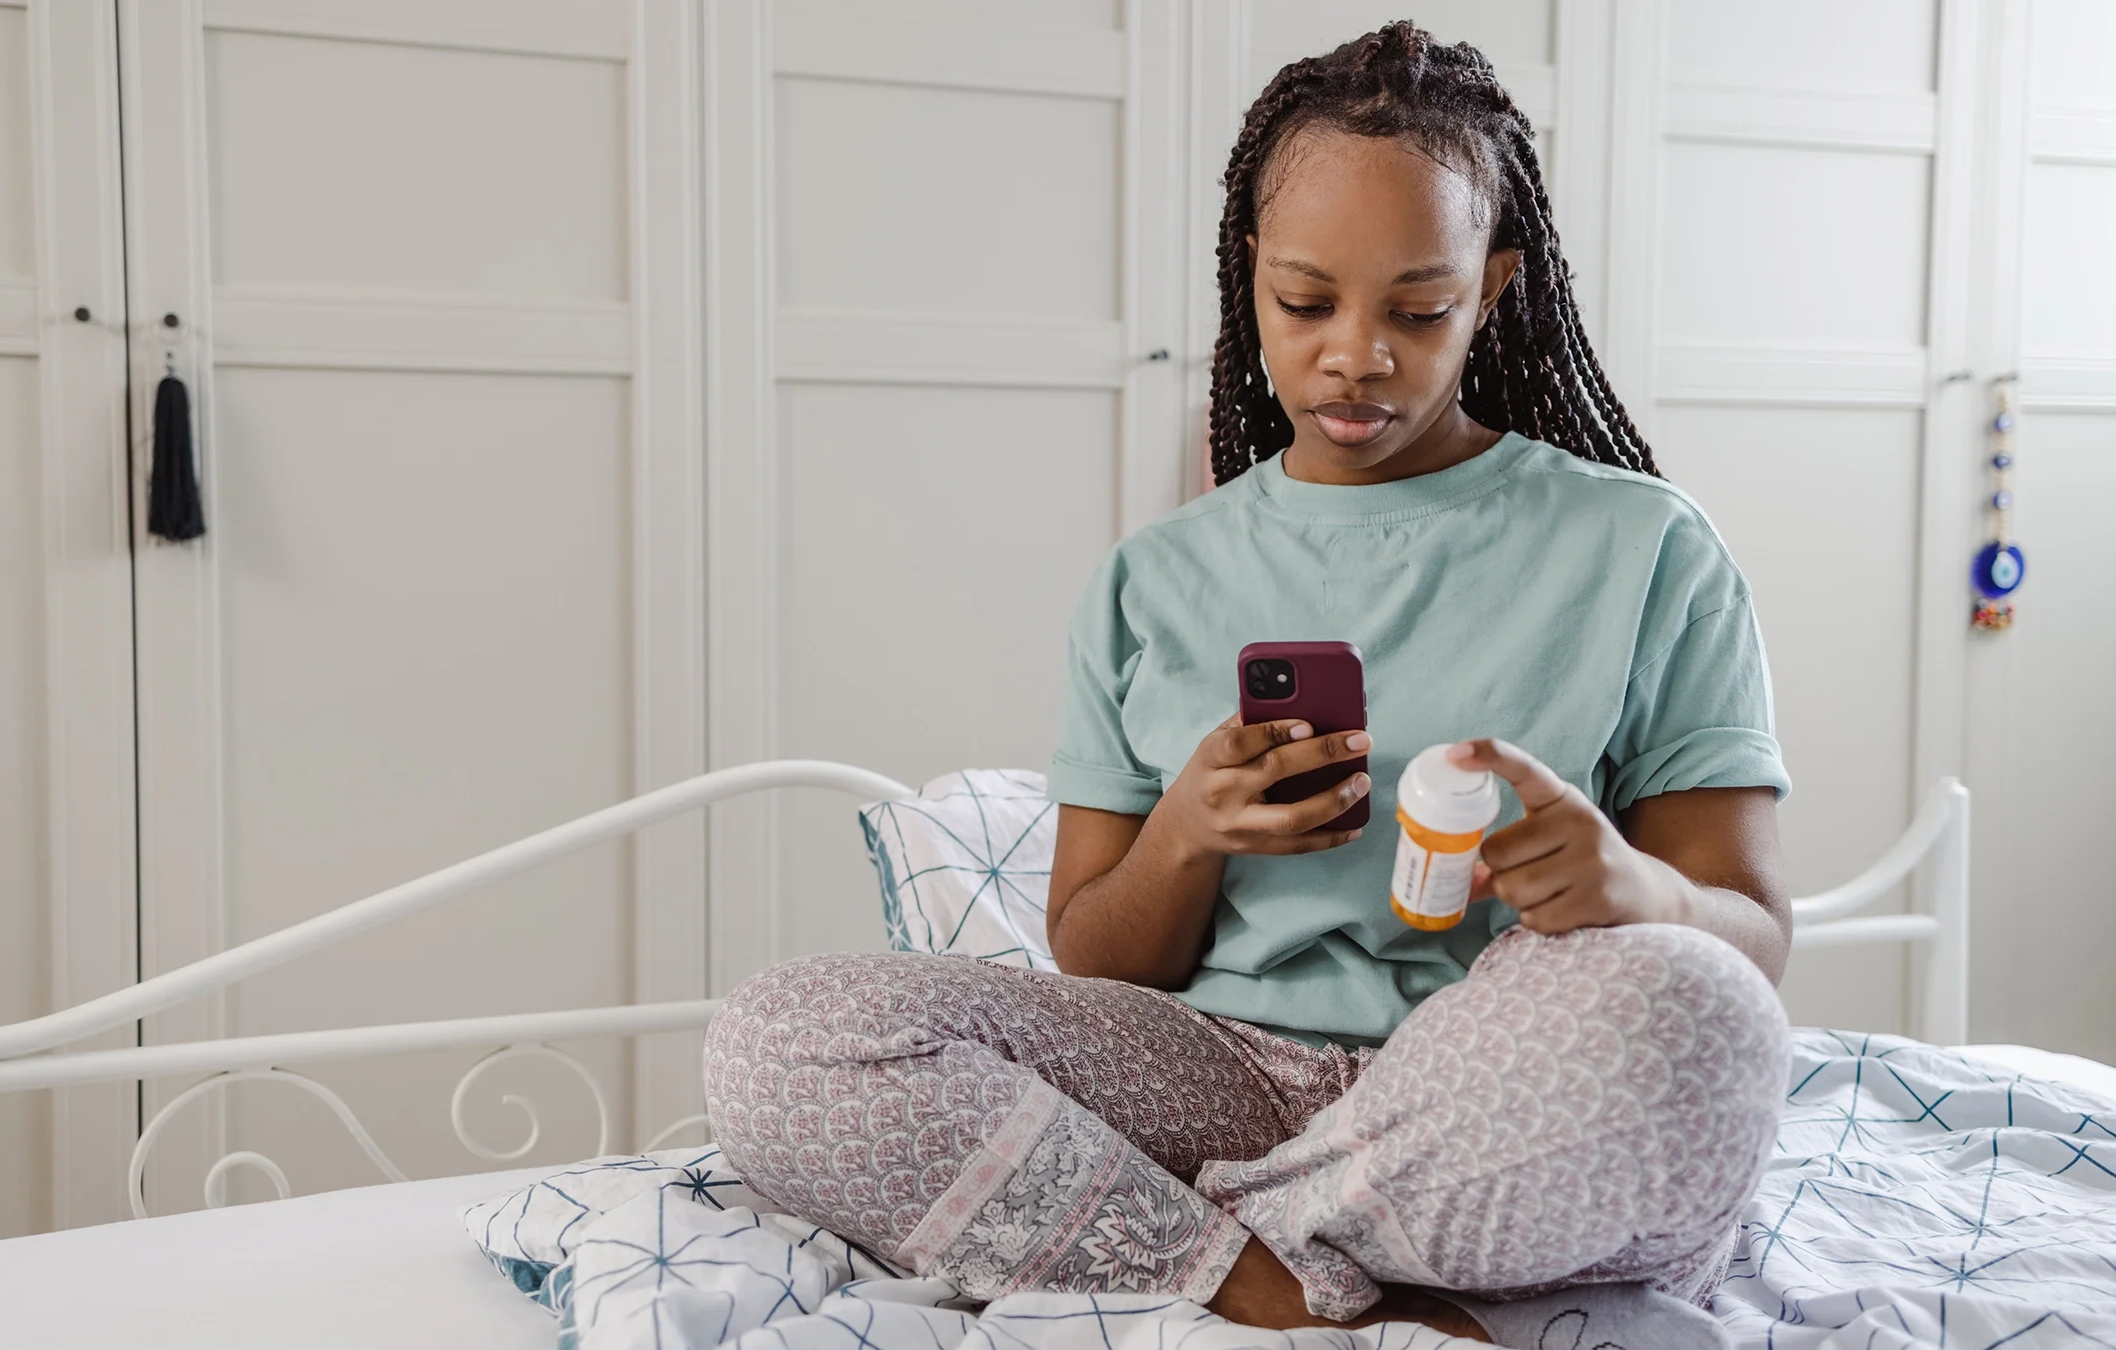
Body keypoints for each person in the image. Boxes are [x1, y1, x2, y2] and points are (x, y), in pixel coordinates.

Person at [706, 22, 1791, 1345]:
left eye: (1418, 307)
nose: (1355, 354)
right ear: (1250, 283)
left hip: (1503, 1074)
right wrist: (1189, 830)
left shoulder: (1646, 548)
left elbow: (1753, 933)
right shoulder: (1152, 580)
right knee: (780, 1038)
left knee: (1705, 1009)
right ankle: (1295, 1288)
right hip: (1218, 1067)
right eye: (1306, 301)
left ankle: (1196, 1234)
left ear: (1494, 290)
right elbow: (1099, 957)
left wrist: (1639, 888)